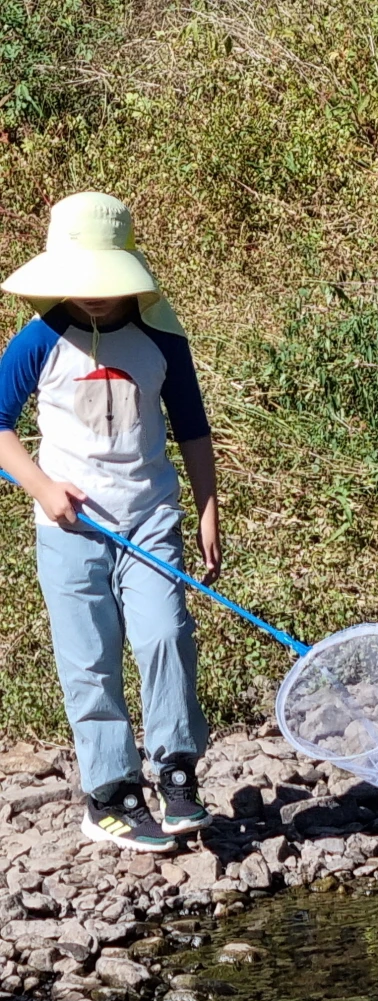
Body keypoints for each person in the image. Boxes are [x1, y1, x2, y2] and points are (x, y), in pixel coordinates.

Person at [0, 192, 217, 852]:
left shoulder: (161, 340)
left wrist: (208, 510)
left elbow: (194, 433)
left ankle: (176, 773)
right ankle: (111, 793)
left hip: (149, 520)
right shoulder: (40, 337)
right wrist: (41, 486)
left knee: (165, 635)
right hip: (68, 532)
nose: (93, 297)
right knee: (88, 660)